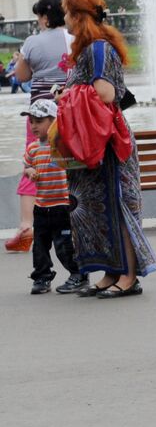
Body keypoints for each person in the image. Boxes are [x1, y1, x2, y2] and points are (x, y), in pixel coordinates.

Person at [62, 0, 156, 297]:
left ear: (78, 16)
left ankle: (128, 277)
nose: (64, 19)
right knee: (100, 209)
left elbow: (105, 94)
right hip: (96, 140)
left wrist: (66, 97)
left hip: (107, 142)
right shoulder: (93, 47)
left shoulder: (97, 49)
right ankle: (110, 272)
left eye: (67, 13)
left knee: (118, 206)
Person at [9, 0, 72, 254]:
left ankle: (27, 226)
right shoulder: (73, 39)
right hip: (68, 109)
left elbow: (22, 75)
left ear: (45, 16)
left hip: (39, 111)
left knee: (32, 160)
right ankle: (71, 220)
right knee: (69, 161)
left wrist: (25, 62)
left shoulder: (32, 42)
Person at [20, 99, 84, 295]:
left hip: (62, 206)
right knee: (39, 246)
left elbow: (76, 167)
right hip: (41, 206)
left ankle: (78, 274)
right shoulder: (32, 148)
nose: (34, 126)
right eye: (32, 122)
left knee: (64, 246)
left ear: (54, 121)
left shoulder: (63, 145)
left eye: (39, 121)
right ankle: (42, 276)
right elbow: (26, 166)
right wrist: (29, 171)